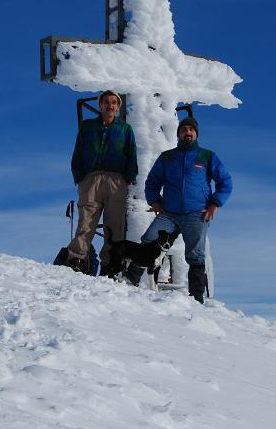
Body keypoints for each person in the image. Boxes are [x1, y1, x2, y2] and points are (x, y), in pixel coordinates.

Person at [140, 117, 232, 302]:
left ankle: (196, 298)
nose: (187, 132)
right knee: (149, 240)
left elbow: (226, 182)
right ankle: (134, 283)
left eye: (191, 129)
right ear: (179, 133)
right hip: (169, 213)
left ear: (196, 134)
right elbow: (152, 182)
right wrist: (155, 202)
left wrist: (215, 204)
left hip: (197, 213)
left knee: (196, 255)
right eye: (184, 129)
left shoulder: (207, 156)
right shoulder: (167, 157)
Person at [66, 90, 138, 273]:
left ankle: (110, 264)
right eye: (106, 102)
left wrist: (126, 179)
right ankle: (77, 260)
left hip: (116, 181)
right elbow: (78, 153)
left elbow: (131, 155)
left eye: (114, 102)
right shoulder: (88, 126)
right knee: (86, 222)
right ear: (100, 105)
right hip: (91, 179)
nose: (110, 105)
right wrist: (80, 179)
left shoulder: (125, 129)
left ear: (118, 106)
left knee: (114, 226)